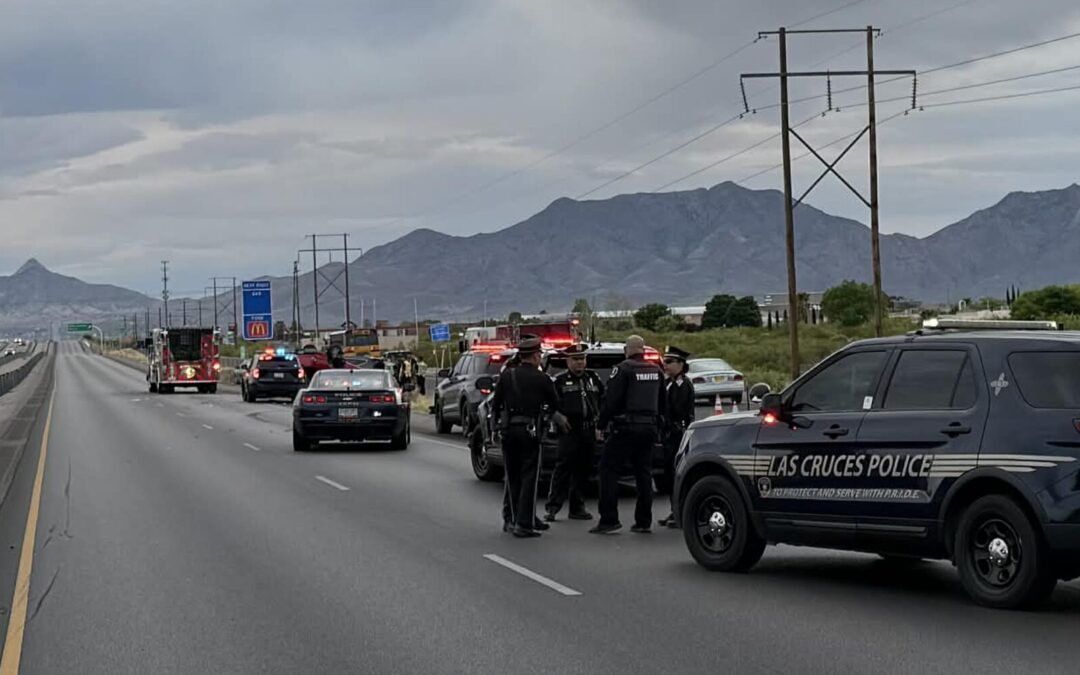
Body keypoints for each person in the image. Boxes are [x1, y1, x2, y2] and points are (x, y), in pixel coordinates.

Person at [489, 336, 569, 538]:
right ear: (535, 356)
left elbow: (496, 403)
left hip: (508, 431)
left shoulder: (508, 375)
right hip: (530, 431)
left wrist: (494, 430)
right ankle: (523, 524)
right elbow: (555, 404)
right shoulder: (542, 378)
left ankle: (512, 518)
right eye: (539, 355)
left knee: (513, 476)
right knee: (529, 478)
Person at [591, 335, 666, 535]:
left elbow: (611, 400)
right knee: (644, 473)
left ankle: (609, 519)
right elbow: (662, 402)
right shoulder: (656, 370)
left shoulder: (623, 369)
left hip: (625, 428)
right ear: (642, 349)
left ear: (627, 349)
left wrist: (601, 423)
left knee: (608, 470)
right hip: (649, 428)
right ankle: (643, 521)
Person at [544, 344, 605, 522]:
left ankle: (577, 507)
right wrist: (557, 417)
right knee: (563, 469)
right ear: (568, 361)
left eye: (582, 359)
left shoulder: (593, 379)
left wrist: (600, 423)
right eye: (576, 359)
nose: (580, 363)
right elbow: (548, 405)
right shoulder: (560, 381)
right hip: (569, 430)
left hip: (589, 430)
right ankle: (553, 508)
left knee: (584, 469)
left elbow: (604, 400)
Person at [657, 346, 695, 528]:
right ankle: (675, 510)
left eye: (670, 362)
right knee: (669, 475)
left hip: (678, 434)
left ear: (681, 364)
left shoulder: (683, 385)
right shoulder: (668, 383)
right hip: (668, 434)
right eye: (665, 361)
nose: (666, 365)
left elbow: (678, 410)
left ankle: (680, 513)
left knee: (677, 474)